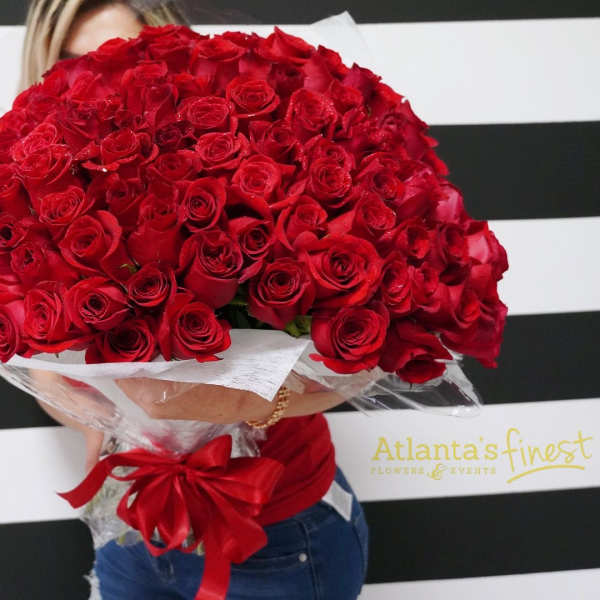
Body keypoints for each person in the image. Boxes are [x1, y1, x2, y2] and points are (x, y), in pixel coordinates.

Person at [19, 2, 370, 599]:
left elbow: (355, 359)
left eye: (124, 57)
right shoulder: (33, 195)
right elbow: (45, 375)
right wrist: (120, 418)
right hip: (132, 523)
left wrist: (249, 403)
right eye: (72, 63)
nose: (94, 83)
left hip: (277, 533)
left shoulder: (240, 160)